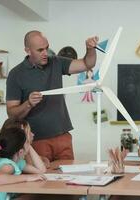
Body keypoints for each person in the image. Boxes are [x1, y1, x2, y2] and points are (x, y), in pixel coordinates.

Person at [6, 30, 98, 162]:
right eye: (40, 50)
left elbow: (87, 64)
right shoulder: (16, 74)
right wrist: (28, 104)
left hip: (63, 136)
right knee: (43, 179)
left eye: (47, 48)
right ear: (27, 50)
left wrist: (90, 49)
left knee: (69, 179)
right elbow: (12, 114)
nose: (45, 53)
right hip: (36, 140)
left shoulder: (56, 62)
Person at [0, 127, 46, 200]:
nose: (29, 145)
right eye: (27, 143)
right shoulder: (8, 165)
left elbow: (40, 171)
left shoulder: (14, 162)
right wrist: (28, 178)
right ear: (20, 152)